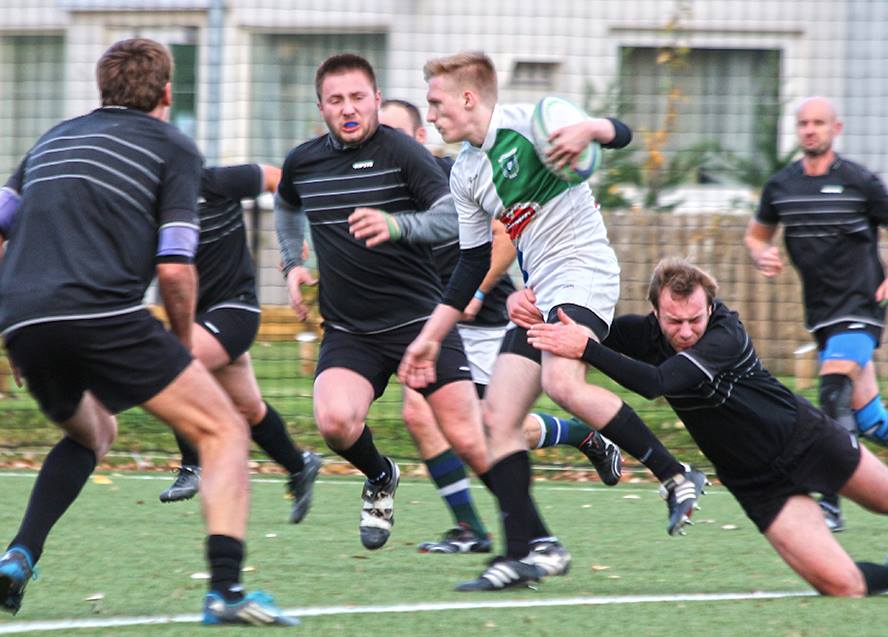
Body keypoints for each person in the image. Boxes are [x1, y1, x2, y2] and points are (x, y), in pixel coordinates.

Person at [0, 39, 295, 624]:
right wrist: (181, 350)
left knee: (93, 432)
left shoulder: (52, 140)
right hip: (103, 312)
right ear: (166, 93)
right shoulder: (172, 146)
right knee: (224, 429)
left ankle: (17, 556)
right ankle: (226, 591)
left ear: (102, 89)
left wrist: (12, 326)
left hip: (25, 319)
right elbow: (175, 268)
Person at [399, 51, 704, 591]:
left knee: (563, 383)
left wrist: (590, 129)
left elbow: (622, 134)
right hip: (541, 290)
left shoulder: (534, 123)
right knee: (497, 418)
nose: (432, 115)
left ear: (468, 98)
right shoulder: (466, 172)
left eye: (437, 103)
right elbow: (471, 263)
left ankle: (674, 475)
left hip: (584, 273)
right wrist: (430, 338)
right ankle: (528, 551)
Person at [526, 258, 888, 597]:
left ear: (710, 306)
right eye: (675, 321)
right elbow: (586, 330)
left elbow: (655, 383)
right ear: (656, 313)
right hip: (753, 480)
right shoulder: (647, 333)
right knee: (841, 585)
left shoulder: (725, 334)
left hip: (806, 440)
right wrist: (543, 317)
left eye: (695, 318)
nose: (686, 330)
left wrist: (586, 348)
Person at [360, 99, 622, 554]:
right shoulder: (378, 193)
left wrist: (477, 293)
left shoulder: (453, 174)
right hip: (435, 320)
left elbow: (503, 233)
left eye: (396, 133)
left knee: (488, 427)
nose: (386, 143)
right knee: (420, 415)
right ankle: (471, 528)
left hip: (483, 317)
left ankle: (576, 441)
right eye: (380, 134)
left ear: (419, 138)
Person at [275, 53, 492, 553]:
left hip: (419, 324)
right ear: (321, 108)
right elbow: (285, 205)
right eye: (335, 100)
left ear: (375, 99)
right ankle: (380, 475)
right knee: (335, 424)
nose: (348, 108)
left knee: (469, 435)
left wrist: (396, 225)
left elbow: (452, 219)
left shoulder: (402, 151)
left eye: (357, 97)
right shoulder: (303, 161)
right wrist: (292, 263)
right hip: (350, 331)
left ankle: (524, 534)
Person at [744, 96, 888, 532]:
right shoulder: (781, 186)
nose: (810, 130)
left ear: (836, 129)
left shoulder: (860, 181)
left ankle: (830, 501)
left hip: (862, 304)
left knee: (832, 393)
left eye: (819, 123)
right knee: (869, 420)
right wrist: (761, 253)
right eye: (804, 123)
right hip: (821, 313)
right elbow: (756, 235)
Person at [158, 163, 322, 525]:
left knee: (172, 363)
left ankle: (193, 466)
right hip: (196, 321)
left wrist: (293, 238)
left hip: (235, 310)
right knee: (249, 408)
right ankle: (299, 465)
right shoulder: (147, 206)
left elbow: (279, 178)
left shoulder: (214, 181)